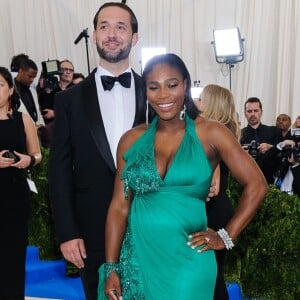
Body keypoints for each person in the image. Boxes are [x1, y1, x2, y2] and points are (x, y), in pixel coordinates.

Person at [98, 53, 267, 300]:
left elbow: (257, 184)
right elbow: (119, 207)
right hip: (139, 258)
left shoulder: (211, 133)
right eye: (154, 87)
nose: (163, 95)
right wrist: (112, 266)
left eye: (172, 85)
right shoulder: (131, 140)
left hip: (190, 261)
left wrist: (226, 236)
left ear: (186, 85)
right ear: (146, 91)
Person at [48, 2, 147, 300]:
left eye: (121, 27)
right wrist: (67, 232)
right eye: (104, 26)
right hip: (92, 229)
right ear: (93, 35)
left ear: (135, 37)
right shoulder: (68, 100)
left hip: (150, 222)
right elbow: (59, 171)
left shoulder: (157, 95)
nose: (112, 34)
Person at [0, 66, 42, 299]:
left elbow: (37, 155)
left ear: (9, 89)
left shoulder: (22, 119)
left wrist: (28, 159)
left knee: (14, 257)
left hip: (15, 196)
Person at [198, 84, 240, 300]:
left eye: (202, 100)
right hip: (219, 211)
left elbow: (211, 188)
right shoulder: (227, 135)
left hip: (211, 213)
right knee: (213, 277)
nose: (197, 104)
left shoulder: (215, 138)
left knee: (210, 280)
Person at [240, 97, 281, 184]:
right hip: (246, 181)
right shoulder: (239, 134)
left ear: (261, 112)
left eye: (256, 110)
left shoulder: (274, 131)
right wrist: (241, 153)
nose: (253, 114)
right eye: (249, 111)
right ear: (245, 114)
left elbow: (283, 153)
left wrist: (272, 147)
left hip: (271, 182)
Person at [14, 58, 45, 128]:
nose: (32, 80)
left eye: (34, 77)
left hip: (36, 135)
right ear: (20, 71)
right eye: (29, 76)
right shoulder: (9, 90)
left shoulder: (33, 91)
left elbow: (38, 112)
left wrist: (42, 126)